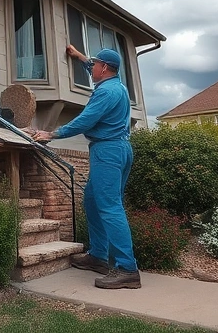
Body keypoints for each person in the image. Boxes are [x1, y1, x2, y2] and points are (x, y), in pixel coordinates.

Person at [30, 44, 141, 290]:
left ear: (105, 68)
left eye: (96, 65)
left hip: (108, 151)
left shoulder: (106, 92)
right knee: (92, 201)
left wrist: (52, 133)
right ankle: (99, 256)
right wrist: (78, 56)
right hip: (118, 149)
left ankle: (127, 269)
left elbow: (85, 120)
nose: (92, 70)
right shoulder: (116, 84)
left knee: (110, 207)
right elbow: (91, 65)